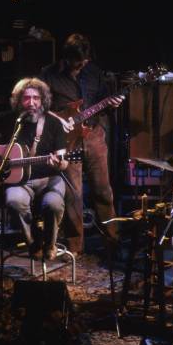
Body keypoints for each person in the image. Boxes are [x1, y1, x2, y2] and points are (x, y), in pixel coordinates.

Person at [40, 33, 124, 255]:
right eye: (77, 62)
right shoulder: (49, 74)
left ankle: (112, 241)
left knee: (104, 190)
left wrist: (112, 104)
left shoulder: (94, 72)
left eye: (84, 61)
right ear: (66, 58)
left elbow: (103, 101)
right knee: (73, 195)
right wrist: (58, 121)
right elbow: (39, 106)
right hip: (66, 139)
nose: (81, 65)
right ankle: (75, 247)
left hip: (94, 134)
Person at [0, 78, 68, 260]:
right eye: (26, 98)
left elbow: (64, 160)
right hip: (19, 181)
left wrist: (59, 163)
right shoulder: (10, 120)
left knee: (52, 204)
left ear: (43, 100)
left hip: (49, 180)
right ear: (19, 101)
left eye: (36, 98)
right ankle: (33, 243)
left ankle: (50, 244)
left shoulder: (53, 124)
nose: (31, 103)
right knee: (14, 200)